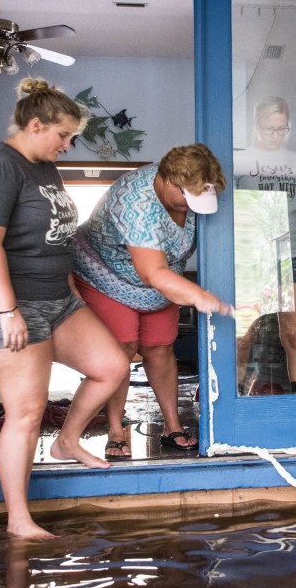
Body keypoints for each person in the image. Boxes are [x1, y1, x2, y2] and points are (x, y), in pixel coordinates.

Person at [0, 77, 129, 540]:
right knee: (26, 410)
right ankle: (19, 520)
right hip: (8, 302)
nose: (68, 144)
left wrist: (71, 289)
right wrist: (7, 310)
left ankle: (67, 442)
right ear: (35, 125)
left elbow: (54, 237)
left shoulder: (44, 167)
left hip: (57, 297)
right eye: (63, 136)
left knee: (112, 366)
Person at [72, 143, 233, 460]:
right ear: (171, 182)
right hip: (107, 275)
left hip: (160, 281)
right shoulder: (137, 200)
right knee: (122, 349)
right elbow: (153, 272)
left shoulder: (191, 190)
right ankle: (117, 430)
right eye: (189, 200)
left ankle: (172, 425)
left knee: (160, 347)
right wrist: (200, 296)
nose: (191, 210)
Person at [233, 96, 296, 394]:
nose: (275, 135)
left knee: (295, 334)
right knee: (243, 334)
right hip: (251, 257)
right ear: (256, 125)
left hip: (291, 256)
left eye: (282, 129)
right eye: (270, 129)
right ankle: (235, 397)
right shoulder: (239, 160)